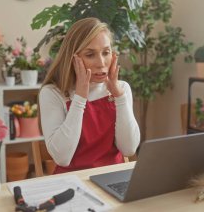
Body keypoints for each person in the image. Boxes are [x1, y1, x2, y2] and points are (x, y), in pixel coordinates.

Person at [39, 17, 140, 174]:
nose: (101, 62)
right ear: (73, 58)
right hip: (72, 182)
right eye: (90, 54)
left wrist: (120, 97)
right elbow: (62, 158)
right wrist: (80, 97)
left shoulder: (122, 89)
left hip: (112, 178)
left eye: (106, 53)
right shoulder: (52, 93)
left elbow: (129, 149)